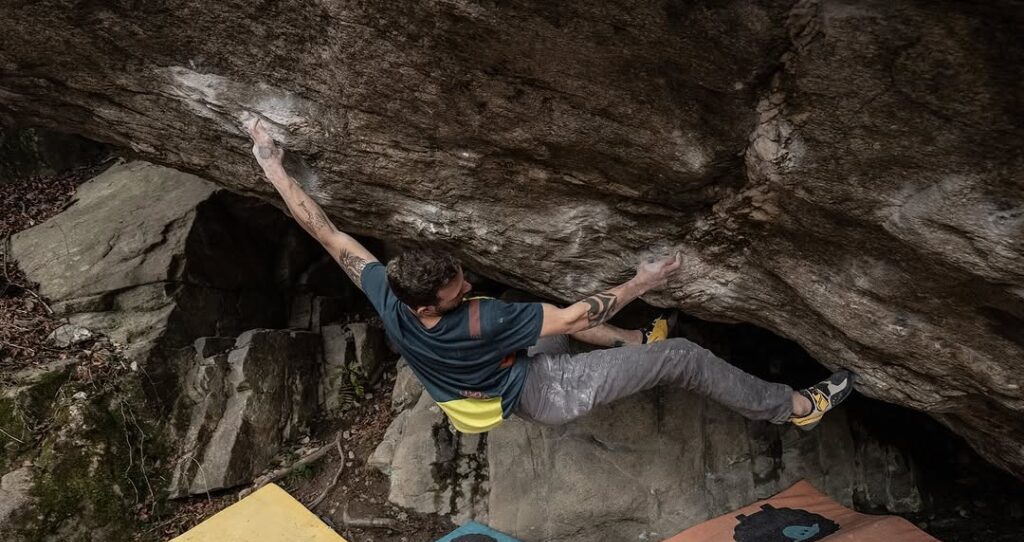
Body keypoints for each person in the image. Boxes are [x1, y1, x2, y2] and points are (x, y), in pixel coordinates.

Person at [243, 116, 853, 435]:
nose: (467, 286)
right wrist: (641, 282)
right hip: (541, 393)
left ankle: (642, 342)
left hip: (490, 377)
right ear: (431, 303)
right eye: (457, 289)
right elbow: (575, 315)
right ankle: (795, 407)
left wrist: (272, 165)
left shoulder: (385, 290)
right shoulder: (486, 320)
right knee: (686, 359)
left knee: (534, 316)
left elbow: (323, 230)